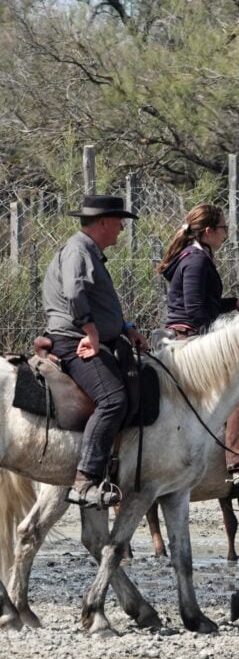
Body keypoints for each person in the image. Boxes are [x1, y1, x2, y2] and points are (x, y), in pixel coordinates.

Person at [42, 194, 149, 507]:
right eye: (119, 223)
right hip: (74, 340)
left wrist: (126, 327)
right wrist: (91, 334)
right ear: (103, 222)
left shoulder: (88, 250)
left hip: (91, 336)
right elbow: (75, 293)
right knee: (113, 400)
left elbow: (99, 301)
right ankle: (85, 480)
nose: (121, 229)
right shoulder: (78, 250)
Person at [156, 203, 239, 486]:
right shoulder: (196, 261)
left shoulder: (196, 255)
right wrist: (230, 332)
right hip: (191, 340)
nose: (226, 234)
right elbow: (197, 313)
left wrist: (231, 304)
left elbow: (200, 305)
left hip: (186, 335)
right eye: (223, 228)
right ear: (208, 231)